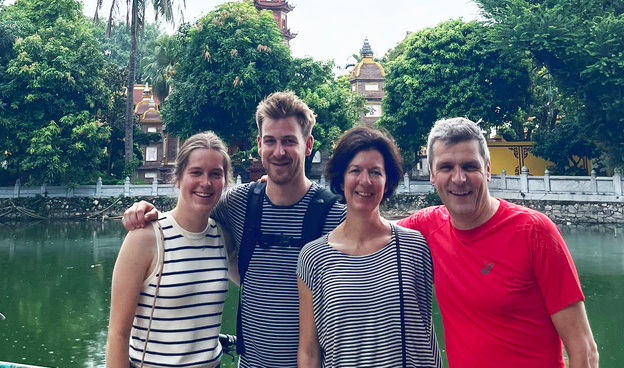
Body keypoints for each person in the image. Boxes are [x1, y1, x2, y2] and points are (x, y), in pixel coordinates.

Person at [121, 91, 345, 368]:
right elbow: (190, 215)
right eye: (271, 141)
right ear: (260, 145)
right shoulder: (239, 203)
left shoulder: (335, 215)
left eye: (289, 141)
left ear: (308, 144)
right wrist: (145, 210)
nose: (279, 152)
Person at [398, 117, 599, 368]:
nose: (458, 178)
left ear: (488, 170)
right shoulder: (426, 227)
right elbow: (370, 234)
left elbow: (584, 350)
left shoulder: (535, 232)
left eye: (470, 166)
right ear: (432, 174)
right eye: (446, 167)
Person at [297, 127, 441, 368]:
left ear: (387, 181)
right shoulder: (314, 257)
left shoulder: (413, 246)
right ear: (342, 178)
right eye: (355, 170)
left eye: (376, 172)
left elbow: (426, 337)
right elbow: (309, 351)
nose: (366, 181)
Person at [107, 131, 232, 368]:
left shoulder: (223, 236)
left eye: (215, 174)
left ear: (225, 181)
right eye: (196, 172)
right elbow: (117, 334)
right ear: (178, 178)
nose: (206, 182)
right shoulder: (145, 236)